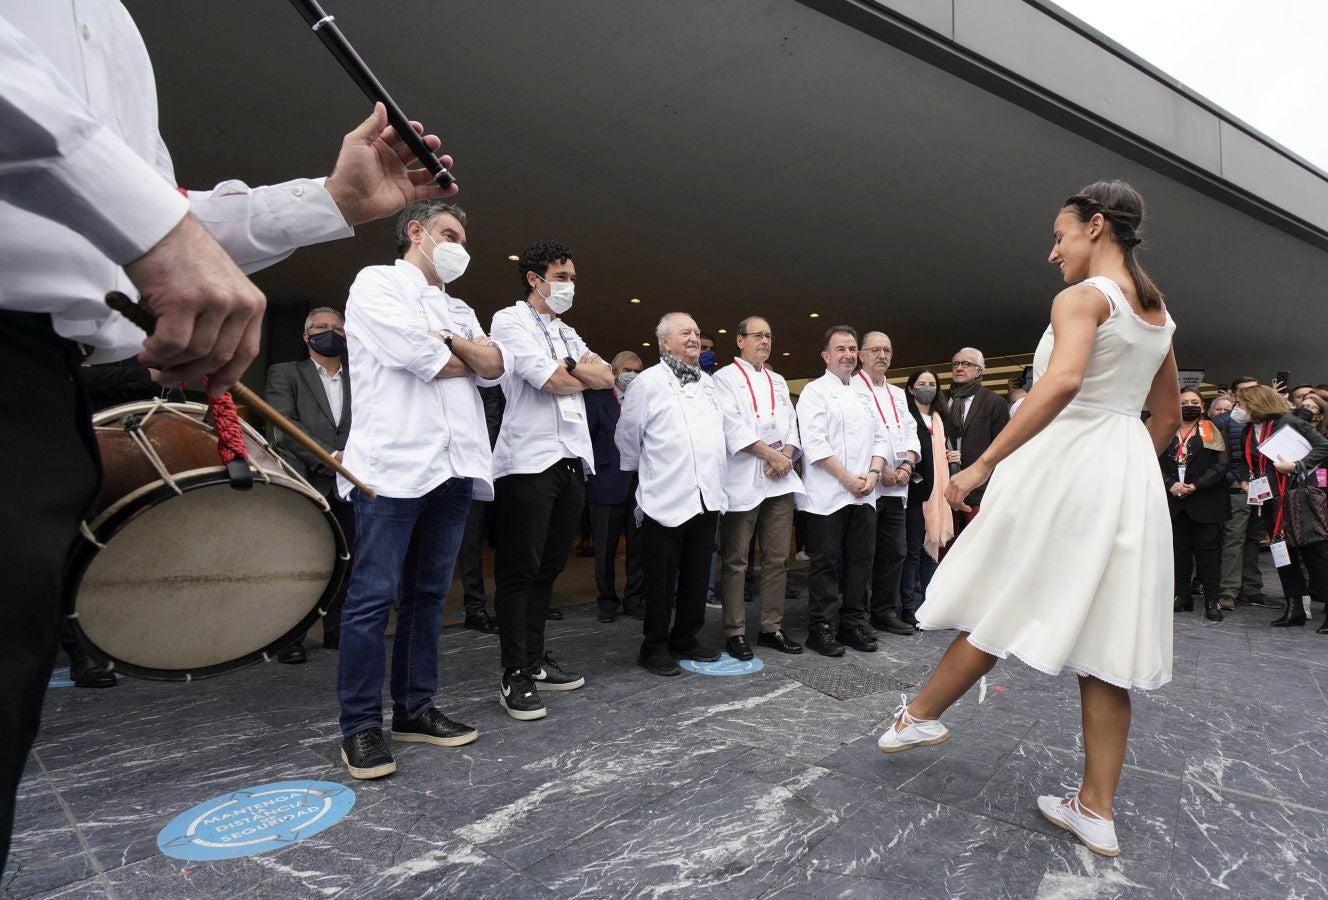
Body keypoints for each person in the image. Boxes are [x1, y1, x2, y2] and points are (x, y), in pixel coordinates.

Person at [0, 3, 457, 864]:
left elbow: (152, 202)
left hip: (39, 379)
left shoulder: (116, 27)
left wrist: (329, 200)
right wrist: (156, 230)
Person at [879, 181, 1181, 860]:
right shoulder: (1159, 316)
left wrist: (980, 465)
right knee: (1106, 647)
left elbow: (1065, 381)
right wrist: (1124, 471)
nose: (1054, 252)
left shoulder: (1081, 298)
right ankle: (1095, 811)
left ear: (1096, 226)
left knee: (1001, 593)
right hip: (1125, 477)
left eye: (1061, 235)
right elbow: (1166, 418)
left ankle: (920, 716)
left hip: (1066, 470)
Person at [335, 200, 504, 779]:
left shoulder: (457, 305)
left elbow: (494, 365)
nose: (461, 246)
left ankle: (413, 709)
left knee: (429, 595)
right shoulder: (376, 283)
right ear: (417, 233)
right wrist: (457, 349)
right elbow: (417, 355)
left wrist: (448, 341)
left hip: (454, 467)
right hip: (395, 465)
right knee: (371, 599)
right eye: (450, 234)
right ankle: (360, 726)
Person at [489, 241, 613, 719]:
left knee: (548, 569)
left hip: (571, 459)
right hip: (528, 460)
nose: (569, 286)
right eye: (562, 277)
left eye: (573, 278)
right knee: (519, 570)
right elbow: (550, 382)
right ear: (534, 279)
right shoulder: (510, 320)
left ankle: (535, 660)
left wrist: (572, 368)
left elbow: (607, 378)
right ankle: (513, 672)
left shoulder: (567, 330)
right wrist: (574, 371)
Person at [616, 314, 728, 676]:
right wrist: (649, 470)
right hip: (663, 496)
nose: (695, 338)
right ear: (665, 342)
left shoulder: (709, 384)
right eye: (686, 333)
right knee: (661, 579)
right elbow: (628, 437)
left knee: (697, 573)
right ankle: (654, 646)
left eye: (697, 332)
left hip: (705, 496)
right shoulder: (647, 383)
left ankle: (686, 637)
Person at [266, 307, 356, 662]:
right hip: (306, 480)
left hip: (351, 482)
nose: (330, 332)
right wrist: (331, 457)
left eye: (337, 328)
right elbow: (283, 425)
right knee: (303, 563)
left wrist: (355, 458)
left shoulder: (362, 377)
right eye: (321, 327)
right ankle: (291, 637)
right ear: (306, 336)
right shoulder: (286, 373)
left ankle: (337, 632)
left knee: (348, 560)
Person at [796, 326, 890, 657]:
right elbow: (815, 444)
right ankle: (820, 629)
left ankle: (851, 625)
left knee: (860, 562)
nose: (848, 354)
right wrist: (847, 478)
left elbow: (881, 438)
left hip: (865, 493)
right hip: (827, 494)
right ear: (826, 356)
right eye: (840, 349)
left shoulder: (865, 393)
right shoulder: (814, 392)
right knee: (826, 564)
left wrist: (874, 473)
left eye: (852, 348)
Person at [713, 317, 804, 659]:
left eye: (769, 335)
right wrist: (770, 453)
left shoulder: (779, 380)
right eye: (758, 336)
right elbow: (729, 425)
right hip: (743, 479)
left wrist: (787, 455)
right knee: (736, 560)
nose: (765, 341)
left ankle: (771, 628)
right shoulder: (723, 379)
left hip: (779, 481)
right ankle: (734, 632)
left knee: (777, 559)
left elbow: (792, 425)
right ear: (739, 340)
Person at [1233, 385, 1328, 628]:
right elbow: (1246, 460)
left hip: (1296, 496)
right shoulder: (1247, 430)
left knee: (1312, 552)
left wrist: (1297, 465)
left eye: (1241, 403)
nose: (1238, 408)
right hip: (1268, 499)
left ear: (1255, 403)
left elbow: (1323, 445)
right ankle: (1294, 606)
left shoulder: (1287, 421)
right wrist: (1246, 479)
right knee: (1282, 554)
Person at [854, 331, 922, 637]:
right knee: (862, 554)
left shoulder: (897, 394)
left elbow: (910, 431)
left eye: (888, 350)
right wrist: (881, 470)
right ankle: (858, 614)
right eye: (875, 350)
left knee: (895, 551)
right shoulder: (852, 388)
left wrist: (907, 464)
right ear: (862, 355)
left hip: (898, 486)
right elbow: (858, 436)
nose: (882, 355)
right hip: (869, 484)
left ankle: (884, 611)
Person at [585, 351, 646, 623]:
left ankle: (634, 599)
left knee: (638, 548)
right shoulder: (597, 398)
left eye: (637, 370)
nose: (632, 375)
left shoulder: (644, 401)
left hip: (639, 485)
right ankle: (607, 601)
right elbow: (586, 437)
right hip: (606, 483)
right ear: (615, 371)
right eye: (627, 369)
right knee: (605, 550)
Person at [1160, 388, 1230, 622]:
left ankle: (1213, 601)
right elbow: (1151, 460)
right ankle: (1181, 596)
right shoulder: (1165, 428)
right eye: (1183, 402)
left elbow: (1221, 465)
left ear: (1202, 406)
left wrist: (1196, 485)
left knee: (1208, 555)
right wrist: (1171, 484)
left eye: (1194, 402)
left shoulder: (1210, 429)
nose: (1189, 405)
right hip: (1173, 501)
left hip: (1204, 500)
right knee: (1178, 553)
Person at [900, 369, 954, 617]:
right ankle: (909, 607)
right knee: (912, 550)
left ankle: (929, 606)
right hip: (915, 492)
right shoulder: (906, 417)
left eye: (932, 383)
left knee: (931, 546)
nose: (927, 387)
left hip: (938, 493)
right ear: (911, 389)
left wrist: (949, 457)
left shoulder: (941, 419)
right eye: (921, 383)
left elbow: (941, 452)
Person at [454, 384, 505, 634]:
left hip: (477, 467)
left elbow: (491, 420)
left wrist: (476, 453)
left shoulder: (487, 376)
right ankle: (407, 607)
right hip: (435, 463)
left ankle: (476, 606)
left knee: (473, 542)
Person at [1212, 376, 1265, 610]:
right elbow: (1219, 458)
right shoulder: (1221, 421)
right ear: (1233, 395)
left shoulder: (1264, 421)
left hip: (1263, 490)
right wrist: (1238, 480)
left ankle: (1251, 588)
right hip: (1237, 490)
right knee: (1234, 540)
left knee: (1255, 540)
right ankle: (1228, 591)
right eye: (1244, 393)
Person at [945, 347, 1009, 520]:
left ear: (979, 371)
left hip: (980, 490)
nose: (959, 368)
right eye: (956, 364)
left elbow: (1003, 446)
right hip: (944, 489)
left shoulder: (995, 402)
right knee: (946, 545)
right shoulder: (942, 400)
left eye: (966, 364)